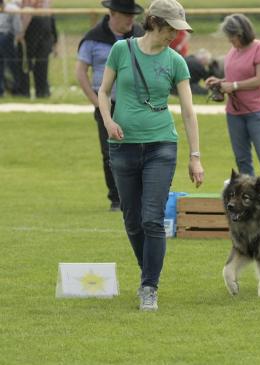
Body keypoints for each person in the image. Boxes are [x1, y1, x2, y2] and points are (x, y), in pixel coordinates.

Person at [98, 0, 204, 311]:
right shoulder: (121, 50)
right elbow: (104, 92)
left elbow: (188, 111)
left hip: (161, 145)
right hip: (122, 145)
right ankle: (148, 275)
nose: (175, 34)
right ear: (154, 22)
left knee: (152, 219)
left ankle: (149, 287)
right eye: (171, 28)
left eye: (179, 29)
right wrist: (108, 120)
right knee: (132, 221)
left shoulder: (176, 62)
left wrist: (195, 156)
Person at [76, 0, 144, 212]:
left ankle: (138, 196)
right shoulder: (93, 39)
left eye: (133, 16)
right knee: (110, 153)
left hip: (135, 105)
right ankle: (116, 198)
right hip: (107, 105)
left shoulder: (141, 36)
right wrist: (98, 104)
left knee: (139, 150)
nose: (131, 20)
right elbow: (80, 73)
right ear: (112, 13)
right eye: (126, 15)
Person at [205, 13, 260, 176]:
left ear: (241, 33)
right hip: (235, 113)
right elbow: (235, 78)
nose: (230, 40)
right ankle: (248, 198)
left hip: (259, 111)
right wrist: (220, 82)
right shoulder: (233, 51)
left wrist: (233, 86)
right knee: (242, 159)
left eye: (232, 36)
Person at [18, 0, 57, 98]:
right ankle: (25, 91)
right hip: (32, 27)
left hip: (42, 25)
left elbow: (52, 21)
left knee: (41, 63)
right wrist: (21, 32)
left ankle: (41, 92)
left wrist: (55, 41)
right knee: (26, 63)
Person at [0, 0, 23, 97]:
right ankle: (16, 89)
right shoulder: (13, 9)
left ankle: (5, 89)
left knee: (6, 65)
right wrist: (19, 35)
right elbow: (17, 27)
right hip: (6, 37)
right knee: (12, 64)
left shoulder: (12, 9)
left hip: (5, 37)